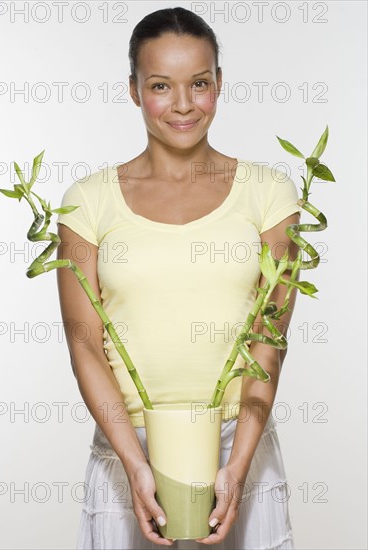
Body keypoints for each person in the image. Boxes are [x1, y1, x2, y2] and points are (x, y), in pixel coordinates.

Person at [56, 6, 301, 549]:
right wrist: (134, 462)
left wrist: (236, 467)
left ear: (220, 84)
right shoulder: (88, 202)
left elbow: (270, 340)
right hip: (130, 453)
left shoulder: (270, 195)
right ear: (133, 89)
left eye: (200, 83)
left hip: (240, 451)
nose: (184, 104)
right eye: (161, 85)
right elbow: (84, 344)